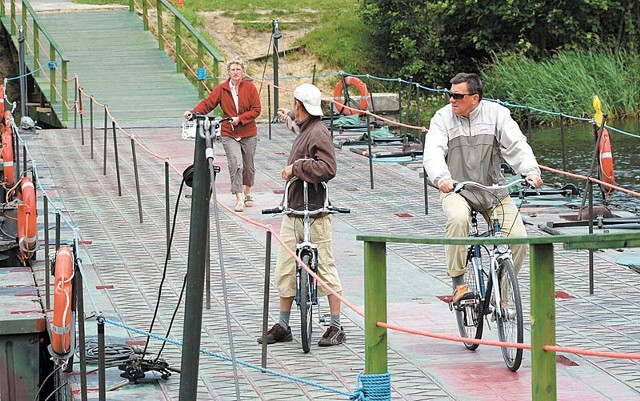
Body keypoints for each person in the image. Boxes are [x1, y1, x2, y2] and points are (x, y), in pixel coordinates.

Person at [423, 72, 543, 304]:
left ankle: (501, 292)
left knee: (518, 239)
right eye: (449, 95)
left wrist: (531, 171)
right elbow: (433, 151)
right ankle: (458, 283)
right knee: (458, 220)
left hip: (493, 191)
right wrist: (441, 178)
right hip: (457, 189)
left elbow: (516, 145)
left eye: (457, 95)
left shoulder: (497, 114)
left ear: (475, 98)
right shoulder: (442, 118)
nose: (451, 100)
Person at [257, 83, 346, 347]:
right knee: (285, 270)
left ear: (301, 106)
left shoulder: (318, 132)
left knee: (325, 268)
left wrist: (296, 167)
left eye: (295, 105)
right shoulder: (307, 128)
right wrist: (287, 117)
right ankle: (284, 325)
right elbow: (297, 128)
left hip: (314, 212)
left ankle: (335, 325)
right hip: (294, 209)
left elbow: (328, 167)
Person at [184, 56, 261, 212]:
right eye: (232, 69)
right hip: (229, 132)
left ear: (243, 72)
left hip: (248, 132)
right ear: (228, 72)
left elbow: (256, 110)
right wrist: (193, 113)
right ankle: (239, 197)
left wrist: (240, 119)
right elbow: (208, 103)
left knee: (248, 166)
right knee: (236, 164)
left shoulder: (250, 88)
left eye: (238, 69)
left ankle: (248, 192)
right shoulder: (222, 88)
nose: (235, 72)